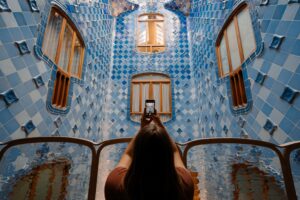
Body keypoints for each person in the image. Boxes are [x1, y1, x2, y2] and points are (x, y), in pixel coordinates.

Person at [104, 109, 194, 200]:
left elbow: (128, 154)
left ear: (137, 152)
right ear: (167, 153)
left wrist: (143, 129)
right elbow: (175, 151)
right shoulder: (184, 184)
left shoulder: (115, 183)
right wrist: (160, 125)